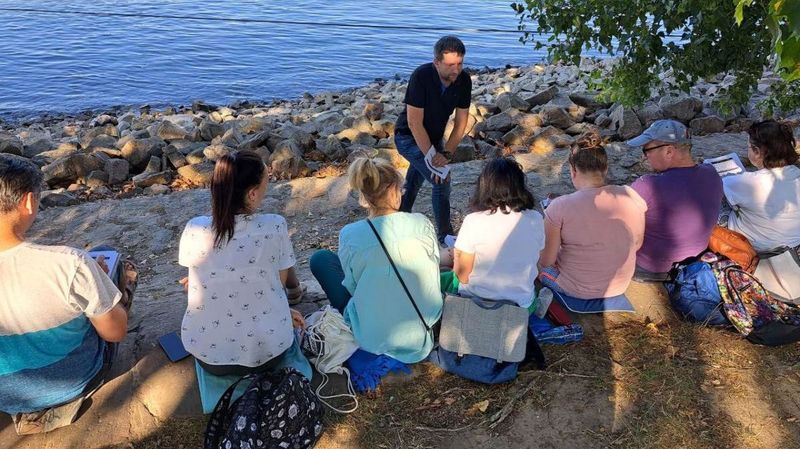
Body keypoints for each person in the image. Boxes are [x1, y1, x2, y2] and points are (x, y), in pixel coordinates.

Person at [0, 155, 134, 434]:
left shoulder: (70, 263)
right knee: (110, 260)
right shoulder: (69, 263)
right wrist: (103, 282)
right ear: (26, 202)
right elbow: (115, 334)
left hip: (6, 395)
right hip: (71, 380)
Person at [178, 150, 306, 376]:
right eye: (267, 182)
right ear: (253, 193)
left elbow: (198, 279)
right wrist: (284, 310)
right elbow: (277, 285)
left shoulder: (195, 228)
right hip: (269, 352)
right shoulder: (274, 226)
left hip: (209, 356)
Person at [309, 157, 443, 363]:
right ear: (392, 190)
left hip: (371, 337)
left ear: (364, 196)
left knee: (320, 259)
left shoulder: (350, 234)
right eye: (401, 189)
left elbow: (353, 287)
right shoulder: (420, 222)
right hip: (421, 332)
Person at [538, 132, 647, 299]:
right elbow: (637, 244)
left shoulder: (559, 206)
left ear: (573, 170)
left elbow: (547, 261)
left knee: (537, 265)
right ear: (605, 168)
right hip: (619, 285)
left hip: (577, 289)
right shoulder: (630, 195)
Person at [394, 35, 472, 243]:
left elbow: (461, 121)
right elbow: (414, 123)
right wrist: (431, 157)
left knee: (414, 181)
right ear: (436, 62)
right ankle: (445, 235)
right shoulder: (421, 76)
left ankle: (396, 219)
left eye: (460, 63)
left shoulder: (463, 80)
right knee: (441, 178)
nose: (456, 70)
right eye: (450, 65)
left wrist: (447, 152)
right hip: (408, 137)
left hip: (435, 139)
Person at [441, 157, 544, 310]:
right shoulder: (536, 218)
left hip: (474, 302)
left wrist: (457, 255)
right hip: (521, 307)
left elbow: (462, 276)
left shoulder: (474, 221)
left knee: (440, 278)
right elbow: (537, 260)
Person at [626, 119, 723, 280]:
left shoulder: (648, 185)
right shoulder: (712, 173)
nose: (644, 158)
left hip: (651, 268)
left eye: (646, 150)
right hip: (695, 260)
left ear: (669, 151)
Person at [722, 120, 800, 251]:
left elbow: (715, 186)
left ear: (757, 151)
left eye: (748, 146)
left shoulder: (748, 182)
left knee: (718, 204)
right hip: (793, 245)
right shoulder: (797, 174)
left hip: (758, 248)